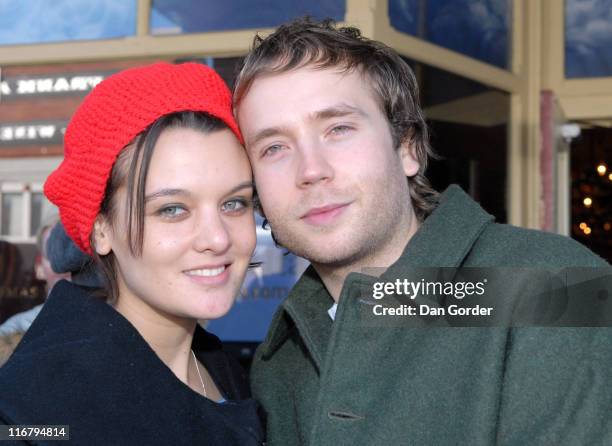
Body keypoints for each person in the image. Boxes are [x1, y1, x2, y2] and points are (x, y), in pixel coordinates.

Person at [234, 18, 612, 445]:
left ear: (408, 148)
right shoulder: (277, 361)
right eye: (274, 148)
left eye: (338, 129)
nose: (311, 170)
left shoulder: (554, 288)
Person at [0, 62, 264, 445]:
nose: (217, 238)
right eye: (172, 209)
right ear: (101, 228)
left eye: (234, 203)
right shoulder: (31, 415)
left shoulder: (221, 366)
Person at [0, 215, 70, 337]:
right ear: (39, 267)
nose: (67, 264)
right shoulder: (15, 330)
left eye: (80, 252)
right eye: (54, 254)